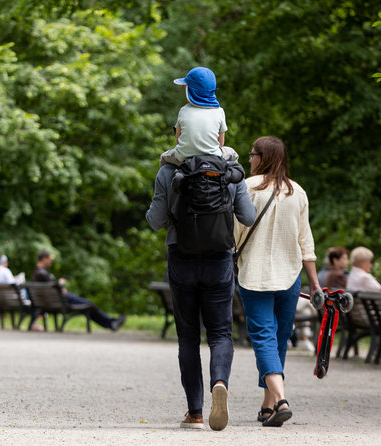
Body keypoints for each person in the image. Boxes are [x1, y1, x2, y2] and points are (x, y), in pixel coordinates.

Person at [146, 147, 256, 431]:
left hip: (181, 258)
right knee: (220, 333)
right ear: (219, 135)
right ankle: (219, 382)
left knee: (188, 338)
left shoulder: (169, 170)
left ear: (180, 134)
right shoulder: (231, 172)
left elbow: (155, 221)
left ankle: (194, 413)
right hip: (218, 259)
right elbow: (248, 216)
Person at [233, 136, 320, 428]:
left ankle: (280, 399)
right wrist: (315, 284)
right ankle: (268, 406)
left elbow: (234, 235)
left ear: (263, 157)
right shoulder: (298, 192)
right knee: (279, 337)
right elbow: (305, 242)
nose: (249, 159)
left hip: (254, 276)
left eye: (252, 154)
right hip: (289, 277)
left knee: (263, 337)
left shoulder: (246, 188)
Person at [32, 251, 126, 332]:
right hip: (62, 300)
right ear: (44, 259)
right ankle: (110, 323)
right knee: (89, 304)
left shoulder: (37, 273)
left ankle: (110, 323)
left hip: (54, 300)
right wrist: (61, 284)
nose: (51, 261)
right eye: (49, 259)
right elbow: (54, 288)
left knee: (89, 305)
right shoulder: (42, 273)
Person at [159, 67, 232, 166]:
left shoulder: (183, 111)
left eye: (186, 86)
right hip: (214, 157)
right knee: (232, 153)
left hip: (183, 158)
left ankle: (169, 180)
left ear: (192, 90)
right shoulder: (219, 111)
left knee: (164, 157)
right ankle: (231, 179)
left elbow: (178, 140)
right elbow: (221, 143)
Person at [0, 254, 43, 332]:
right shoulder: (5, 270)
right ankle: (34, 323)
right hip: (8, 299)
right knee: (31, 296)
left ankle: (34, 323)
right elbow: (13, 284)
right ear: (4, 262)